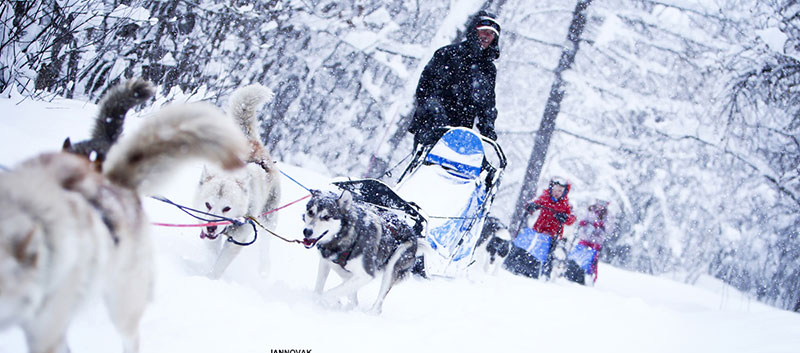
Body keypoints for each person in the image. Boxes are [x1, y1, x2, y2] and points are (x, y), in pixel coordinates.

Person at [407, 10, 501, 150]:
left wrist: (488, 126)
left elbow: (487, 102)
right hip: (431, 126)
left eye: (492, 33)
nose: (487, 36)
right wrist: (436, 111)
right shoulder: (447, 54)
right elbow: (425, 88)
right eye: (484, 31)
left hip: (460, 133)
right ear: (474, 30)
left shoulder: (488, 69)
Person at [504, 177, 576, 278]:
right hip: (538, 229)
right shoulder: (545, 197)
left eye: (560, 191)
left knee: (543, 247)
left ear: (564, 192)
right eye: (555, 189)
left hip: (553, 233)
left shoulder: (566, 204)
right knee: (526, 240)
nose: (557, 193)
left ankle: (537, 269)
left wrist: (565, 217)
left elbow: (572, 218)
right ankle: (515, 261)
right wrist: (532, 206)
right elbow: (534, 203)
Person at [564, 200, 609, 285]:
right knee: (575, 257)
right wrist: (584, 224)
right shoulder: (590, 211)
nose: (600, 206)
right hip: (584, 239)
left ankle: (581, 277)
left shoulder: (606, 216)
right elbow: (582, 220)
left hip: (595, 244)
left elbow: (608, 229)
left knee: (587, 262)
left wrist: (599, 227)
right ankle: (570, 272)